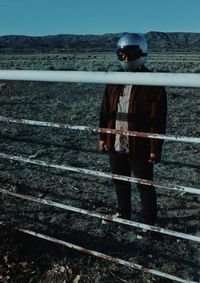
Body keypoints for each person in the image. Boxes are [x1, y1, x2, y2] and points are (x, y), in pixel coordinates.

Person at [99, 33, 167, 240]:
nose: (125, 58)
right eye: (121, 54)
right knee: (119, 179)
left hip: (140, 142)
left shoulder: (153, 82)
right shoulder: (114, 80)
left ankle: (149, 224)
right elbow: (104, 111)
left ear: (139, 54)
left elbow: (158, 118)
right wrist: (103, 137)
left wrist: (155, 148)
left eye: (129, 54)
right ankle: (123, 212)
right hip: (116, 138)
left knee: (144, 183)